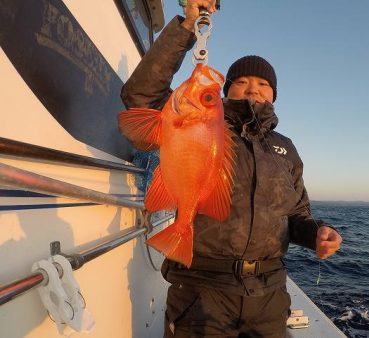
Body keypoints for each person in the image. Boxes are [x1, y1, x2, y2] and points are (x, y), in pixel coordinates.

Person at [120, 1, 342, 337]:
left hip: (269, 293)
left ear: (274, 95)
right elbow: (140, 97)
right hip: (202, 288)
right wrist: (187, 27)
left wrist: (316, 234)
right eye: (241, 81)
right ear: (226, 92)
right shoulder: (204, 123)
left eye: (263, 84)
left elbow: (296, 214)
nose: (253, 88)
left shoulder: (286, 148)